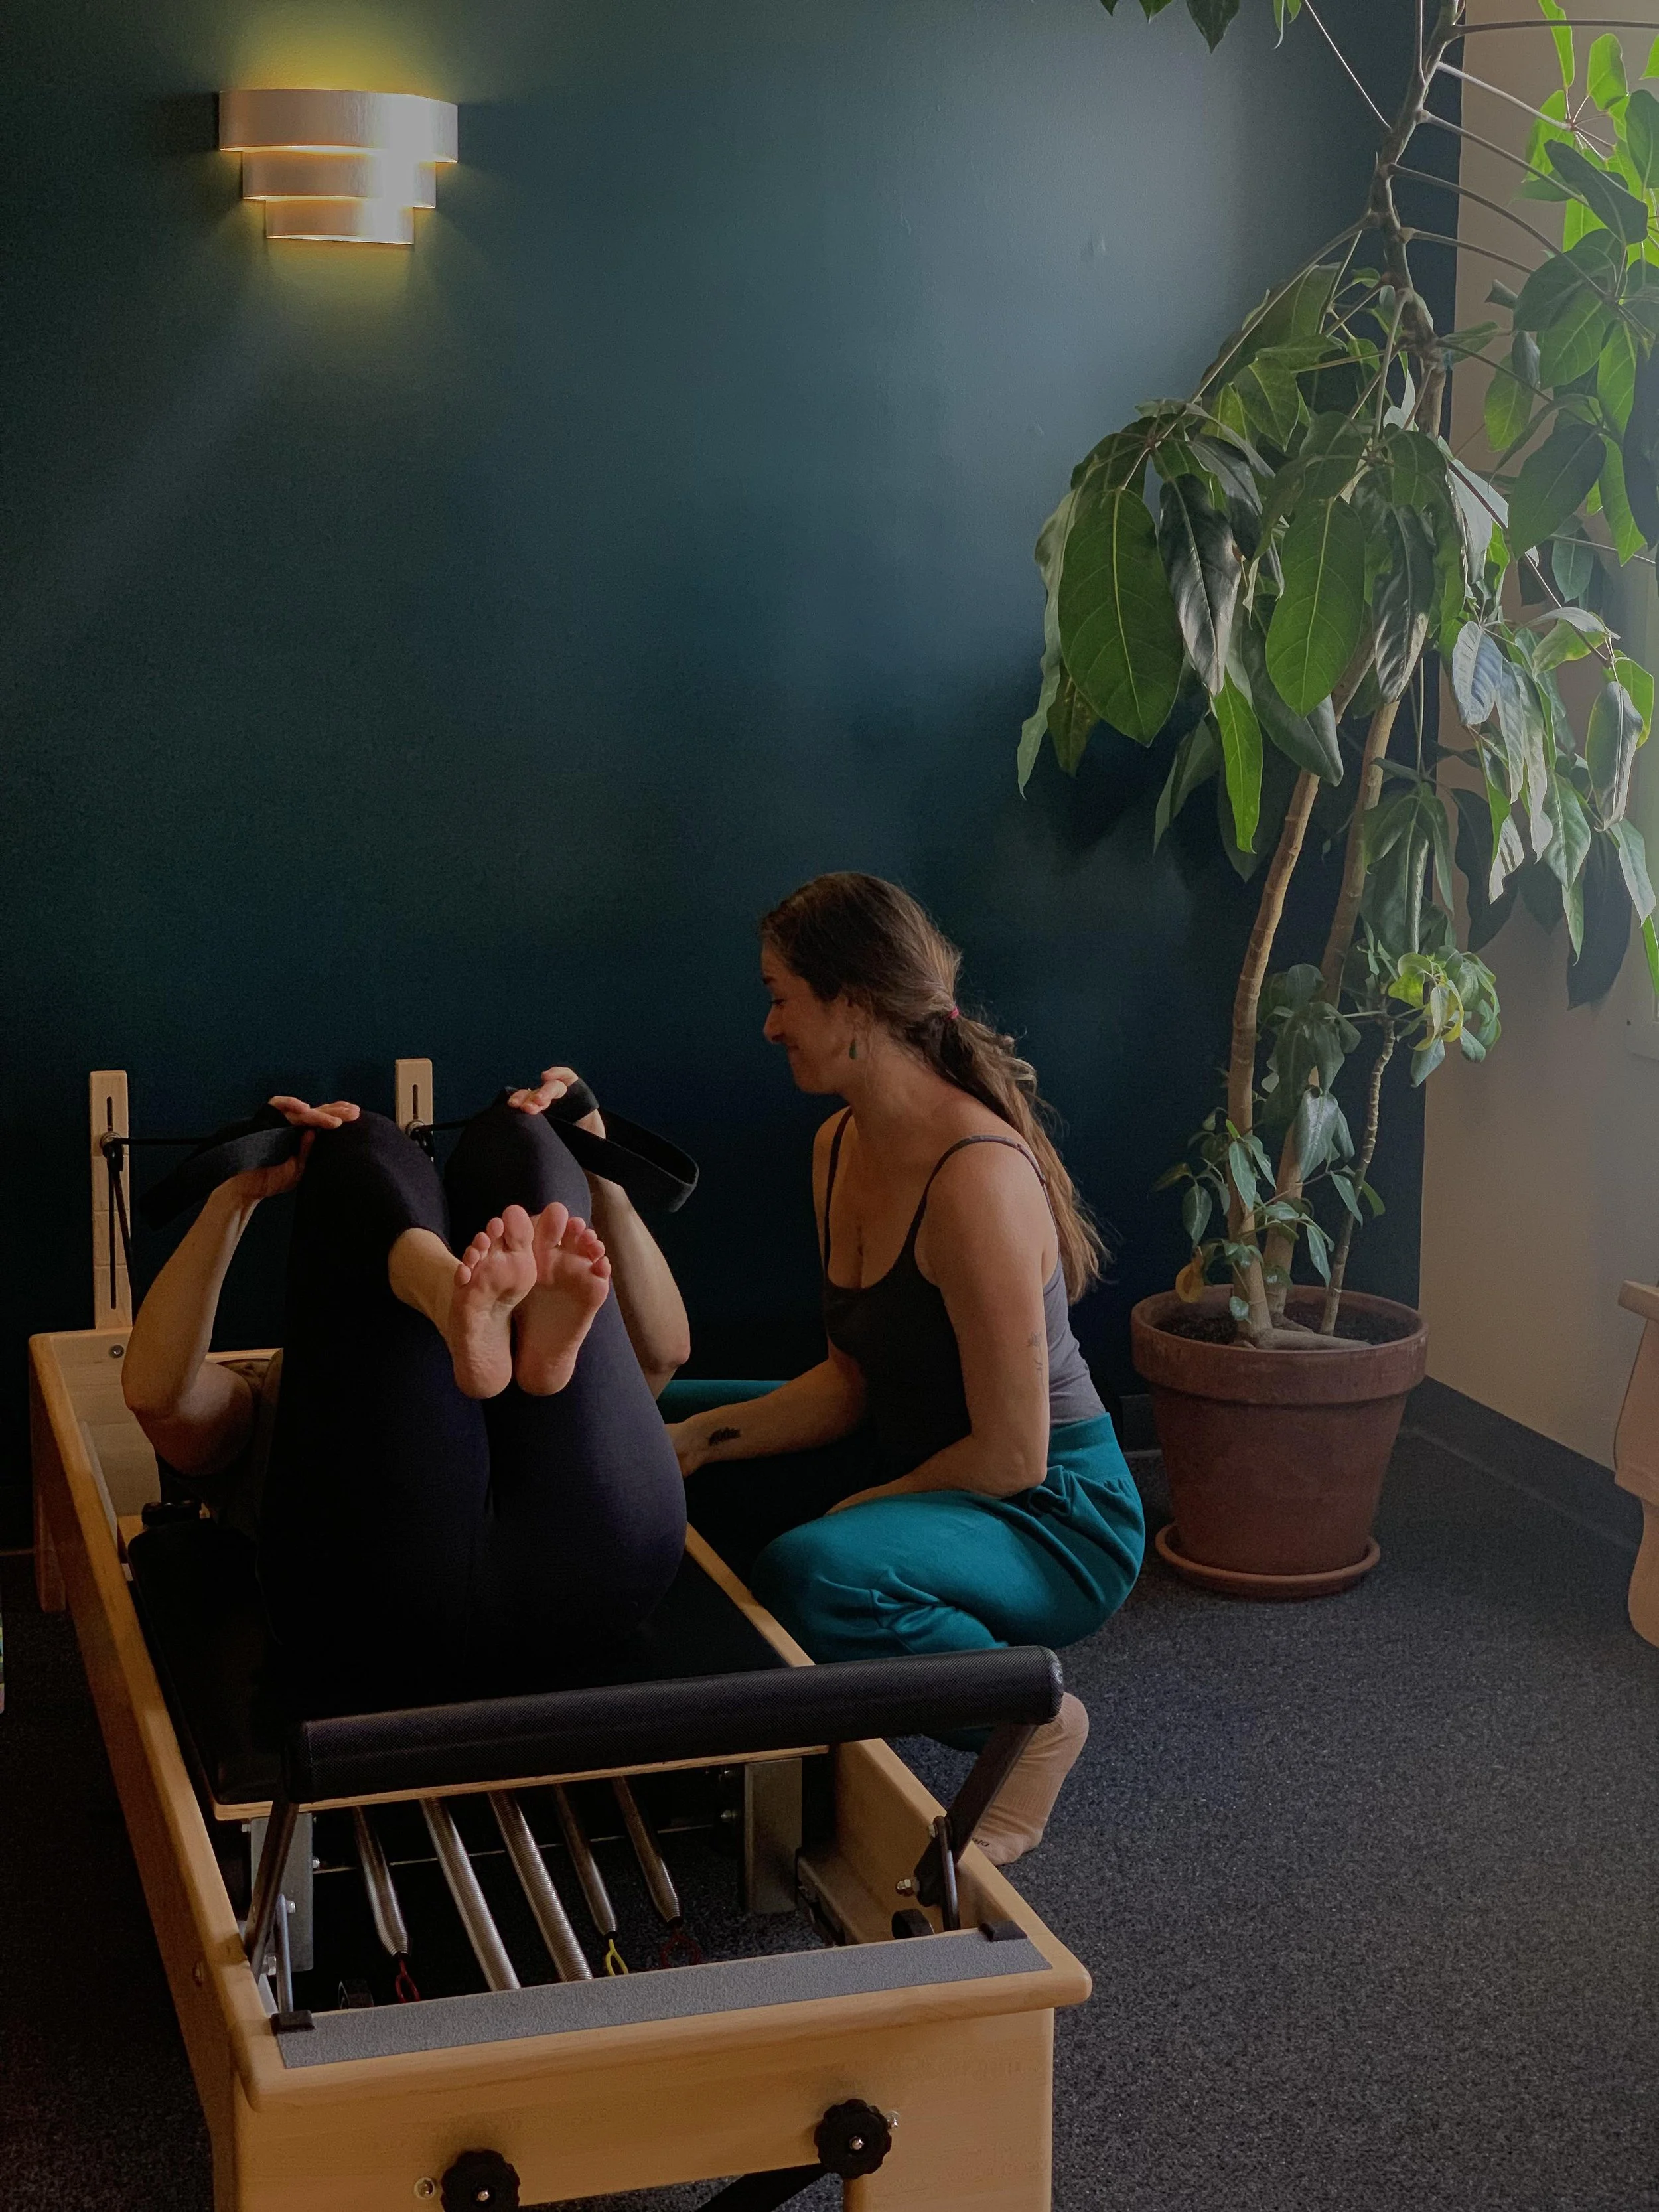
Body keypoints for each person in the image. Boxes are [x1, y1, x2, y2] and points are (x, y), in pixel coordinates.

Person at [666, 874, 1145, 1865]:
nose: (769, 1026)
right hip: (921, 1452)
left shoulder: (977, 1178)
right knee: (646, 1422)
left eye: (778, 995)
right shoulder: (837, 1143)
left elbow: (1014, 1455)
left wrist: (863, 1506)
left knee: (820, 1567)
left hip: (1053, 1512)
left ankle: (1030, 1718)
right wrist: (692, 1438)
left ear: (851, 1004)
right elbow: (846, 1384)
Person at [121, 1071, 690, 1710]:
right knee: (445, 1138)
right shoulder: (263, 1398)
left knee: (468, 1134)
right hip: (611, 1564)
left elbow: (156, 1400)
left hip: (376, 1598)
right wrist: (235, 1194)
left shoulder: (288, 1395)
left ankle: (452, 1299)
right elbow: (664, 1353)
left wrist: (596, 1165)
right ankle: (451, 1299)